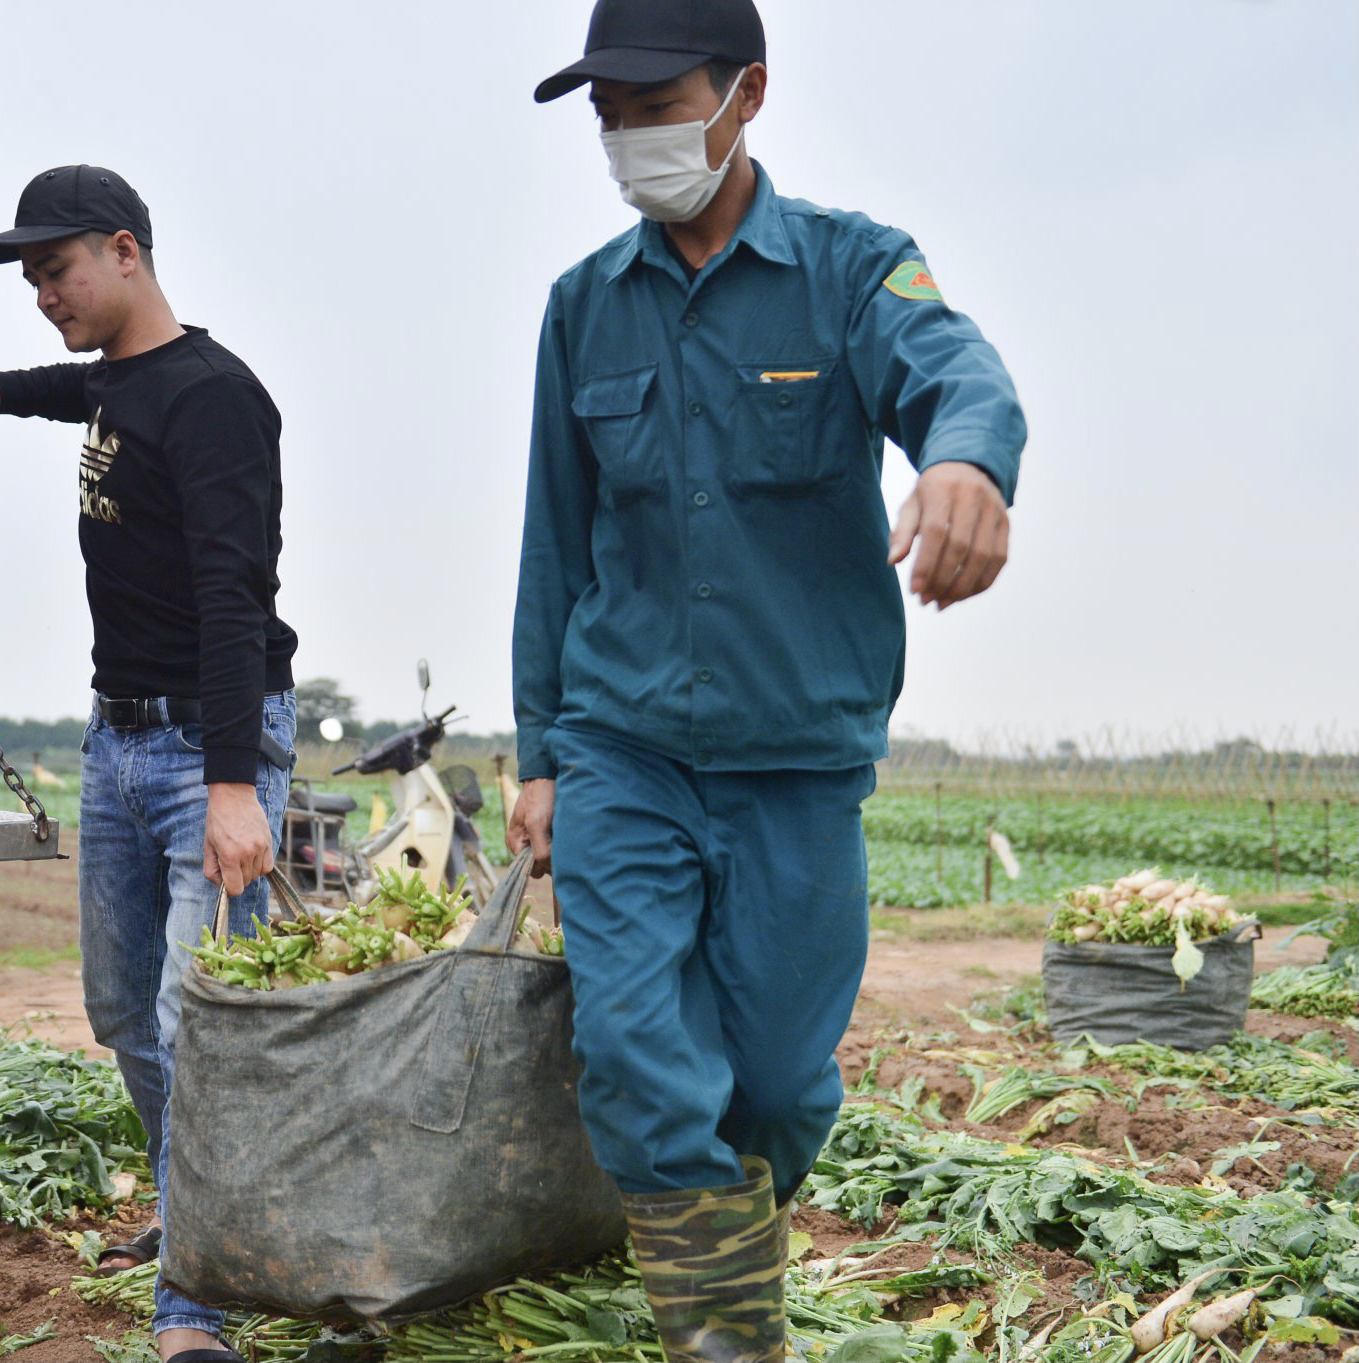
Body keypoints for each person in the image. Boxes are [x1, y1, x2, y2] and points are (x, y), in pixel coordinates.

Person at [506, 2, 1027, 1358]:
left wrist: (961, 460)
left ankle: (711, 1262)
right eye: (605, 115)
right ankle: (723, 1338)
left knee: (784, 1089)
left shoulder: (852, 272)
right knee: (633, 1050)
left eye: (652, 101)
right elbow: (553, 549)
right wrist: (537, 755)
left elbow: (951, 366)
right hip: (623, 747)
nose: (626, 136)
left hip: (796, 761)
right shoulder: (580, 309)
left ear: (744, 93)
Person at [0, 165, 297, 1363]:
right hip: (114, 743)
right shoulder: (126, 383)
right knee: (123, 1009)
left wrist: (234, 784)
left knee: (197, 1028)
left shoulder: (219, 399)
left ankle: (196, 1308)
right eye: (28, 278)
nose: (40, 293)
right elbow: (86, 387)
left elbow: (236, 598)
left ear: (126, 251)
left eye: (57, 269)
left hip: (205, 754)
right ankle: (194, 1211)